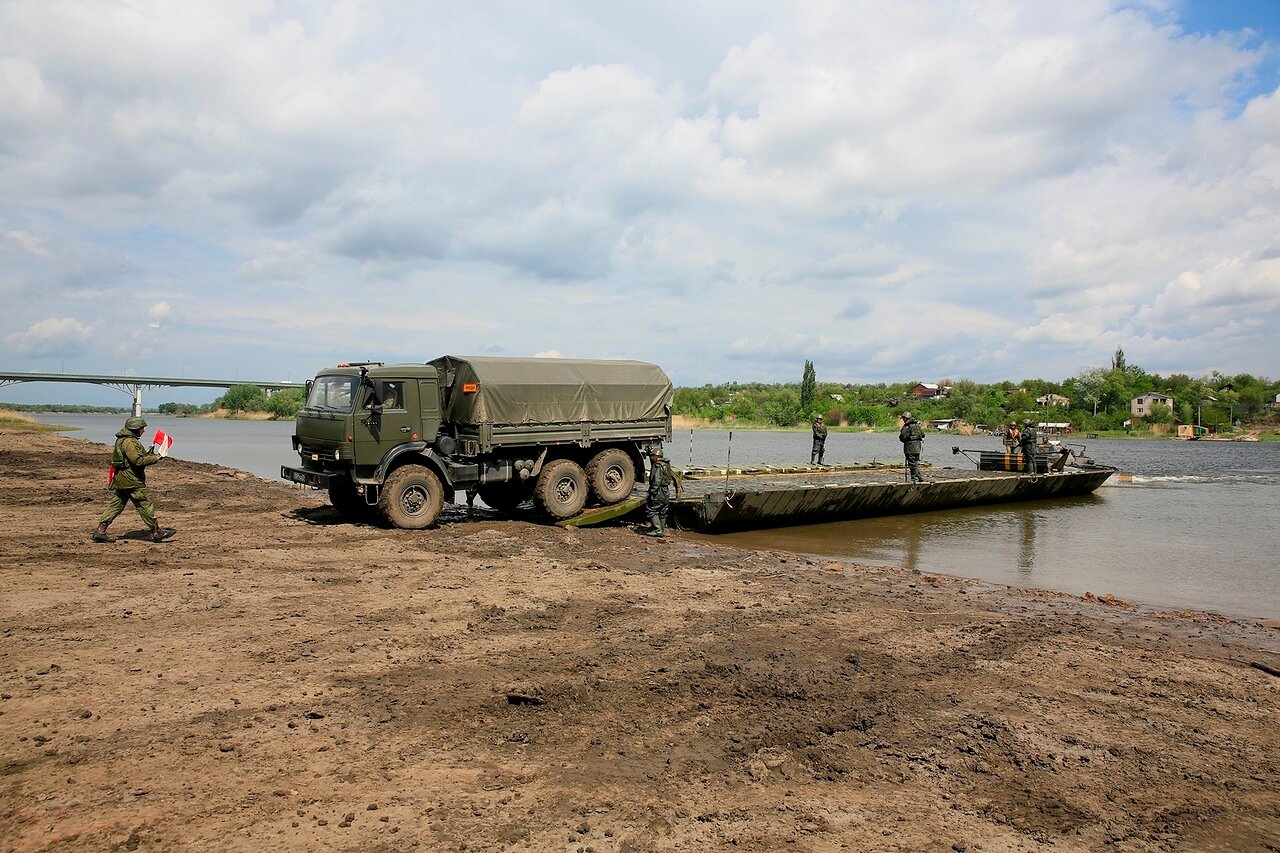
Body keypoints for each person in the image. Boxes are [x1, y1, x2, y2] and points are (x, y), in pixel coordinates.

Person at [92, 416, 176, 543]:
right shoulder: (129, 442)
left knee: (116, 505)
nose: (143, 431)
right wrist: (158, 457)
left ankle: (100, 530)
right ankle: (157, 532)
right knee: (144, 504)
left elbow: (135, 458)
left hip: (122, 479)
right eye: (142, 428)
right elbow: (137, 461)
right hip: (131, 480)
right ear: (135, 429)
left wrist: (148, 453)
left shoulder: (125, 440)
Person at [640, 445, 680, 538]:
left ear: (657, 456)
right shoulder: (666, 464)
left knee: (651, 510)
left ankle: (657, 530)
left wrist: (651, 493)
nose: (651, 457)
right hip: (666, 491)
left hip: (659, 491)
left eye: (652, 456)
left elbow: (656, 481)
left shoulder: (658, 466)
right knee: (662, 511)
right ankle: (661, 529)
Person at [898, 411, 926, 483]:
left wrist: (907, 439)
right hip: (917, 447)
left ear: (905, 418)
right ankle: (919, 478)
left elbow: (902, 436)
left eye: (903, 418)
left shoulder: (907, 426)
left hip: (910, 447)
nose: (903, 420)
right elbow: (923, 435)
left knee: (912, 463)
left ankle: (914, 479)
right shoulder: (917, 425)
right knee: (915, 463)